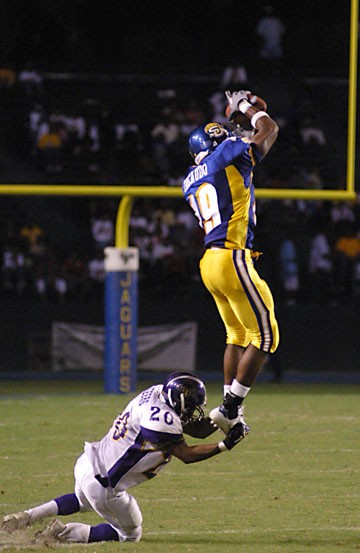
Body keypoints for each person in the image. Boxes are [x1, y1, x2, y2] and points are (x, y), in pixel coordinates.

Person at [1, 372, 245, 544]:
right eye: (191, 406)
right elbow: (187, 454)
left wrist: (225, 416)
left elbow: (191, 426)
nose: (193, 411)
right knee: (130, 534)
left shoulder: (156, 395)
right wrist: (225, 445)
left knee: (81, 500)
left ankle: (25, 517)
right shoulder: (162, 421)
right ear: (178, 401)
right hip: (106, 483)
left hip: (88, 463)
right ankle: (58, 535)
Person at [182, 89, 280, 436]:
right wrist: (247, 109)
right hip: (232, 255)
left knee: (236, 334)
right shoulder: (228, 153)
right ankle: (229, 408)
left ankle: (229, 412)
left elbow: (236, 151)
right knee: (266, 337)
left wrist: (237, 126)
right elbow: (269, 130)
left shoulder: (190, 179)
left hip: (209, 261)